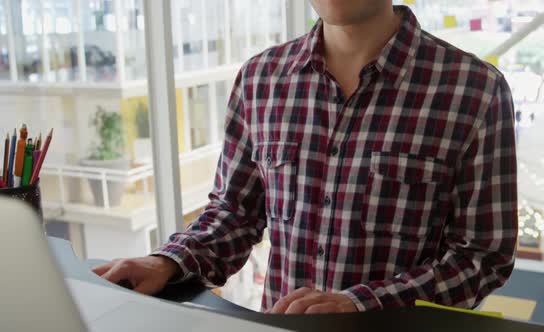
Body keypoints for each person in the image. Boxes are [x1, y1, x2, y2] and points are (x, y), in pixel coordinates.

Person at [94, 2, 518, 315]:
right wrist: (168, 260)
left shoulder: (474, 90)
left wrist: (362, 305)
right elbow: (235, 212)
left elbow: (482, 257)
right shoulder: (262, 78)